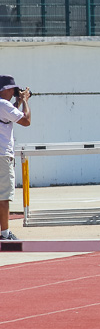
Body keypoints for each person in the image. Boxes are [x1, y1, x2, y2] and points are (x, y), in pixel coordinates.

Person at [0, 75, 31, 241]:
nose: (14, 92)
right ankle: (4, 234)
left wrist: (17, 102)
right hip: (2, 156)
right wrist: (25, 101)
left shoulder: (3, 106)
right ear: (6, 89)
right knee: (4, 196)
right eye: (13, 89)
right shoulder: (3, 104)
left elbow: (8, 116)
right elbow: (26, 120)